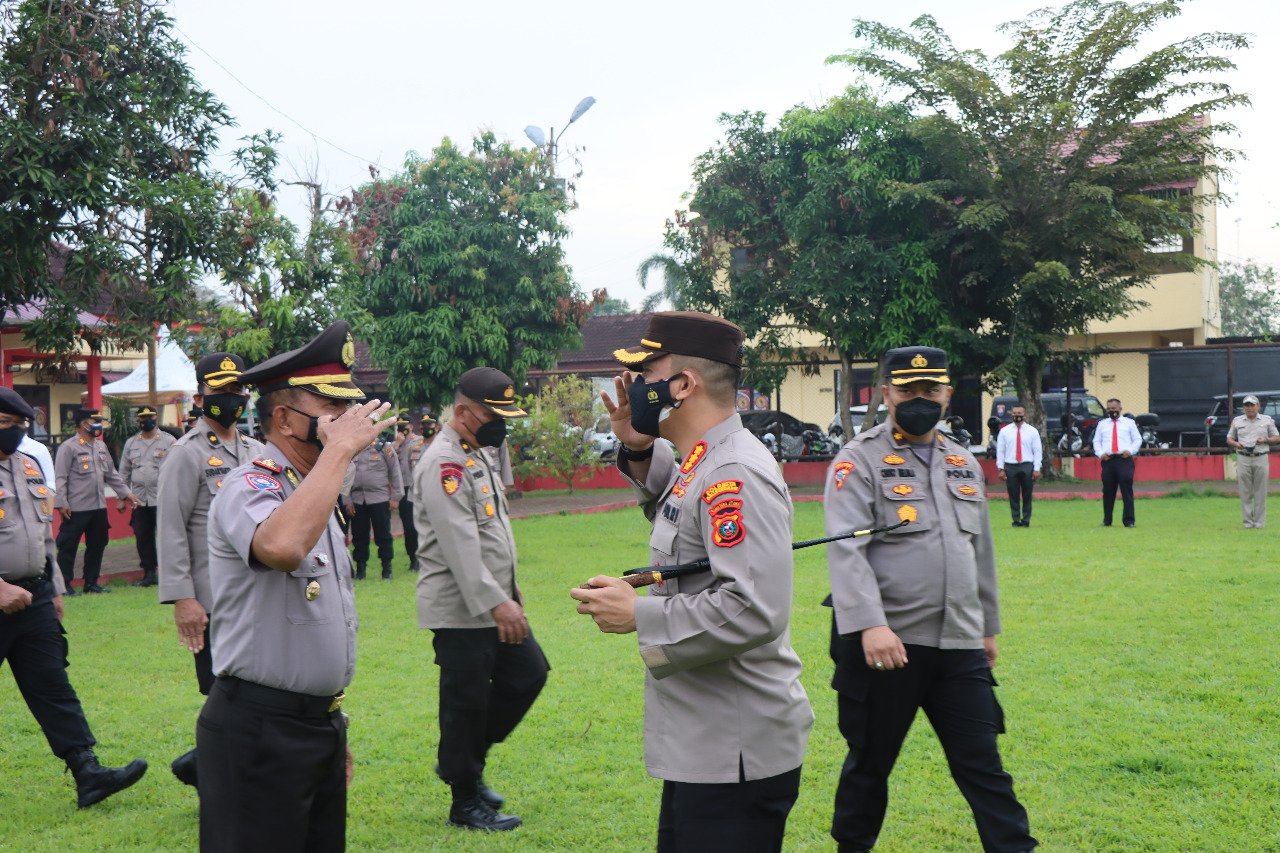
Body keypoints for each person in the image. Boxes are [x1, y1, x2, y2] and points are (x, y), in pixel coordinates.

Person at [570, 311, 814, 853]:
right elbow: (683, 517)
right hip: (708, 741)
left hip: (736, 749)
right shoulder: (702, 460)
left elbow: (754, 609)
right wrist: (637, 445)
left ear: (683, 385)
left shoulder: (735, 473)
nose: (634, 386)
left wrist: (639, 615)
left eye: (646, 372)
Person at [823, 346, 1036, 853]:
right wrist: (870, 625)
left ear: (946, 394)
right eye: (907, 390)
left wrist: (986, 626)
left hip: (958, 644)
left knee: (984, 765)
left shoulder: (963, 461)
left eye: (930, 390)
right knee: (870, 764)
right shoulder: (859, 459)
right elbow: (846, 548)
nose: (919, 399)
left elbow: (979, 550)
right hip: (887, 645)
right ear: (887, 393)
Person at [197, 321, 393, 851]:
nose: (350, 422)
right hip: (260, 730)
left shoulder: (312, 490)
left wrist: (331, 726)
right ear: (283, 418)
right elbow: (281, 549)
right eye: (332, 411)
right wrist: (338, 453)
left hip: (316, 725)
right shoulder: (250, 484)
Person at [0, 388, 148, 807]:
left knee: (53, 686)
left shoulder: (28, 466)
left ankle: (88, 771)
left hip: (35, 598)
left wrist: (58, 589)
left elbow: (42, 535)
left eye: (19, 427)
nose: (13, 434)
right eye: (5, 425)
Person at [414, 367, 548, 832]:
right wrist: (497, 601)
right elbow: (459, 544)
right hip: (461, 607)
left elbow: (491, 532)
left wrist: (509, 589)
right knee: (466, 702)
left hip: (493, 598)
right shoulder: (444, 462)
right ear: (465, 411)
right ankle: (464, 800)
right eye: (495, 414)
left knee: (530, 672)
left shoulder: (477, 452)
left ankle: (461, 761)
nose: (502, 423)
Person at [156, 353, 263, 788]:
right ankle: (215, 771)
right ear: (201, 398)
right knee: (225, 691)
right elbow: (171, 530)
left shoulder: (256, 451)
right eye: (221, 392)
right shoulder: (186, 454)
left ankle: (204, 765)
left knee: (254, 690)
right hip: (213, 599)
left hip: (258, 593)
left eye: (237, 391)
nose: (231, 399)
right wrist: (183, 598)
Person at [53, 408, 139, 594]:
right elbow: (60, 477)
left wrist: (125, 493)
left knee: (98, 544)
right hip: (75, 508)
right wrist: (61, 503)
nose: (98, 425)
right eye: (95, 421)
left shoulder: (100, 446)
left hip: (98, 507)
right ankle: (64, 585)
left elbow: (111, 474)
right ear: (84, 424)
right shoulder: (68, 447)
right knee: (68, 547)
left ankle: (91, 582)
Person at [119, 406, 176, 587]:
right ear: (137, 420)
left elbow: (177, 470)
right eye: (142, 418)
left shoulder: (169, 441)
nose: (146, 421)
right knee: (143, 537)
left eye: (149, 417)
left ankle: (170, 573)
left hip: (163, 498)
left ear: (156, 417)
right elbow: (124, 472)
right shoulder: (131, 443)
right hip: (139, 500)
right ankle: (149, 573)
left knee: (167, 537)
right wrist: (122, 497)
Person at [349, 429, 403, 580]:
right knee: (359, 536)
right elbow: (345, 475)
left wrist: (395, 497)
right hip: (357, 499)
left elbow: (395, 471)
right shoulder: (353, 447)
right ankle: (360, 570)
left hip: (380, 498)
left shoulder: (383, 446)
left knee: (383, 535)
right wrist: (347, 500)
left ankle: (387, 569)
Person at [1226, 394, 1279, 528]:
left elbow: (1277, 437)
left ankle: (1259, 523)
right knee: (1245, 492)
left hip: (1261, 457)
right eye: (1246, 405)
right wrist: (1236, 444)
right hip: (1243, 457)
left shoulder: (1267, 420)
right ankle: (1248, 523)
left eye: (1252, 405)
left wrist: (1265, 439)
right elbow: (1229, 438)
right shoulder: (1237, 421)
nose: (1249, 408)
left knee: (1260, 492)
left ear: (1258, 406)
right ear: (1243, 407)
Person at [1091, 398, 1142, 528]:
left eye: (1114, 409)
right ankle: (1107, 520)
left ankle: (1129, 521)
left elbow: (1137, 439)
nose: (1111, 411)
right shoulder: (1102, 424)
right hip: (1108, 460)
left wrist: (1130, 451)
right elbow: (1096, 441)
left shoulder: (1129, 423)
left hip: (1124, 459)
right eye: (1109, 409)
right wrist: (1100, 453)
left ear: (1120, 409)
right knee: (1108, 491)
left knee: (1126, 489)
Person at [397, 415, 437, 574]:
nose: (427, 427)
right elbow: (405, 468)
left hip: (434, 491)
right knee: (410, 527)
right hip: (413, 492)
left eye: (430, 424)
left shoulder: (442, 446)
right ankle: (414, 559)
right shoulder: (414, 446)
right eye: (424, 424)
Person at [994, 405, 1042, 527]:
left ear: (1024, 414)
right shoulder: (1004, 432)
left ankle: (1026, 520)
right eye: (1015, 413)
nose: (1017, 416)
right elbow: (1000, 451)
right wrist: (1000, 468)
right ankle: (1015, 520)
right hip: (1011, 466)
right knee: (1013, 495)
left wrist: (1037, 468)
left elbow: (1037, 451)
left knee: (1027, 495)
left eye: (1020, 413)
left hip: (1027, 465)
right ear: (1012, 415)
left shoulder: (1032, 431)